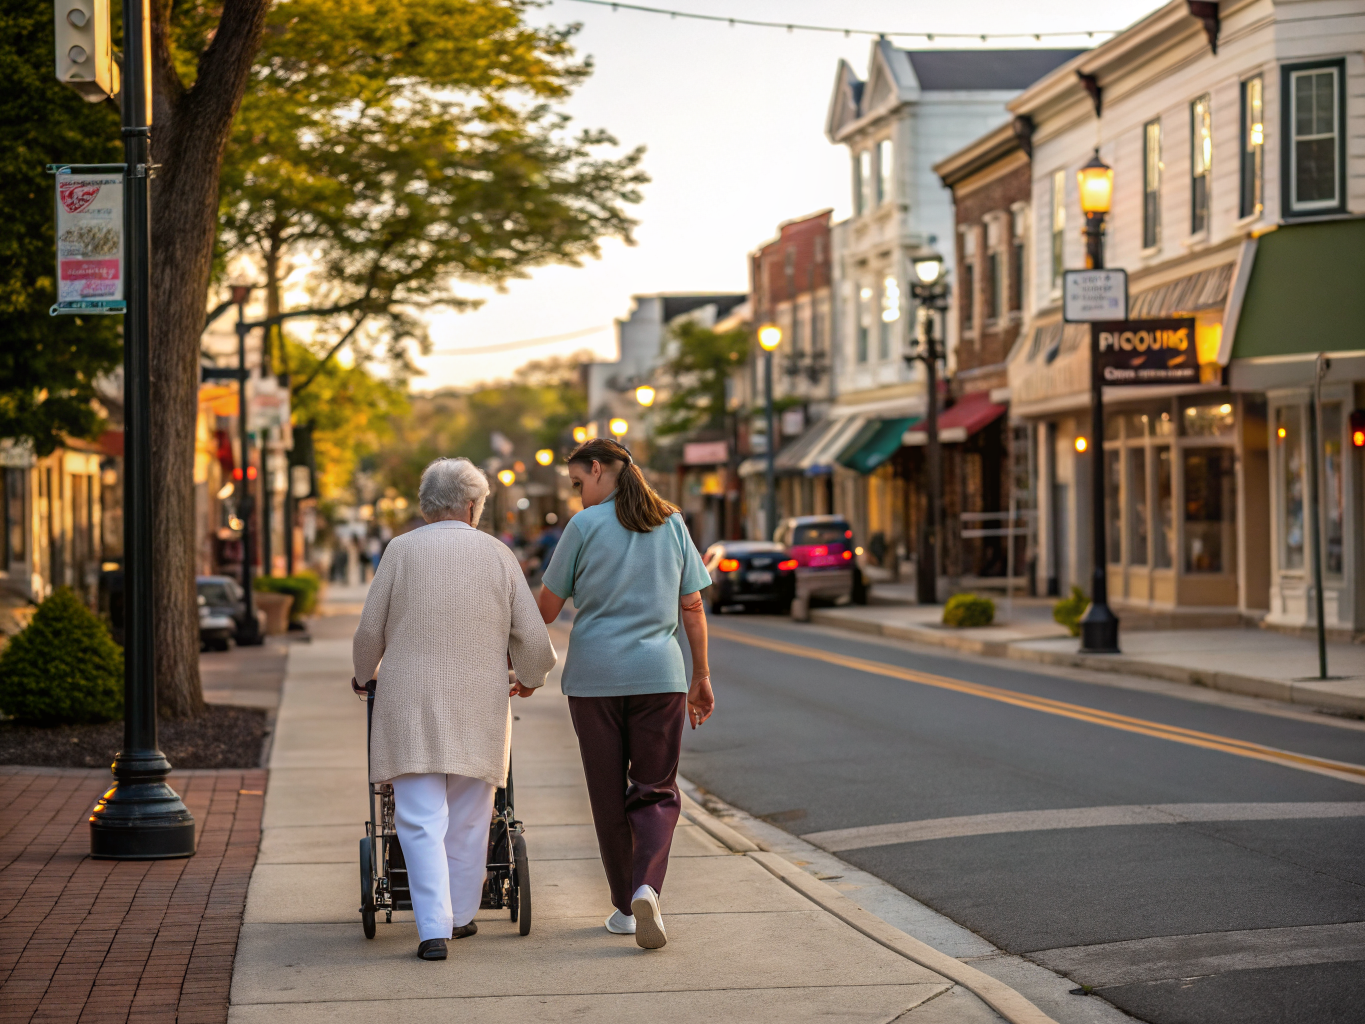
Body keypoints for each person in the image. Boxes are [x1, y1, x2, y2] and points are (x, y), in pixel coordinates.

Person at [352, 457, 556, 961]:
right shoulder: (498, 555)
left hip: (408, 704)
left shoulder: (399, 551)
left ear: (427, 505)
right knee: (470, 816)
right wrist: (530, 678)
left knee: (419, 819)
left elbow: (368, 632)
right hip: (479, 703)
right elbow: (533, 639)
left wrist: (363, 674)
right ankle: (461, 916)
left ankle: (431, 931)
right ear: (471, 506)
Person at [537, 437, 714, 950]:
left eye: (577, 484)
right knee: (656, 790)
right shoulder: (672, 523)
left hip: (594, 680)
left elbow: (546, 611)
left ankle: (624, 907)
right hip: (661, 677)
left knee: (607, 794)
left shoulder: (584, 527)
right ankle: (646, 888)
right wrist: (700, 675)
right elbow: (693, 608)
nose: (578, 496)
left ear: (598, 469)